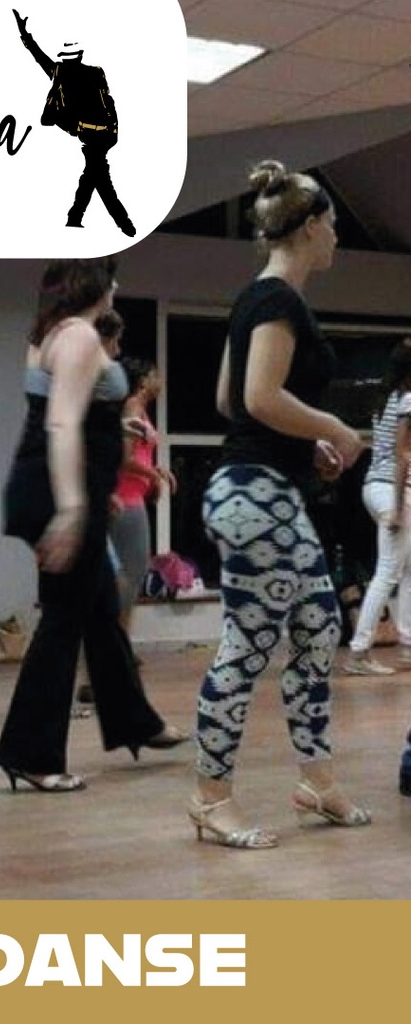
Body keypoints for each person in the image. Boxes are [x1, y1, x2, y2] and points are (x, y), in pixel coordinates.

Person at [191, 160, 371, 849]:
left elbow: (228, 399)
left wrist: (306, 443)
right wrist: (334, 429)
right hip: (254, 495)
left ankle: (316, 782)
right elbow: (260, 398)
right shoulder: (278, 301)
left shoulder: (256, 298)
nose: (337, 237)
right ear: (310, 226)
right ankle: (210, 798)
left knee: (320, 627)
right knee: (247, 645)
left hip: (265, 489)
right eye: (333, 224)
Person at [0, 259, 185, 793]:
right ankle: (31, 755)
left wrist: (98, 488)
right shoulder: (78, 336)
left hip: (53, 487)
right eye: (111, 278)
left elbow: (72, 418)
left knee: (102, 609)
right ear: (95, 285)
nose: (117, 286)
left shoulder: (50, 333)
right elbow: (60, 424)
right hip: (57, 494)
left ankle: (134, 721)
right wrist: (74, 508)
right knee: (63, 620)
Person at [12, 8, 134, 236]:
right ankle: (80, 219)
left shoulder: (61, 71)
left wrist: (25, 35)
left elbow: (39, 57)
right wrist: (113, 130)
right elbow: (109, 102)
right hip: (104, 134)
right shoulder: (96, 72)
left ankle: (118, 223)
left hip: (91, 134)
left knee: (97, 179)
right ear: (80, 55)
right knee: (94, 176)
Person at [343, 340, 411, 676]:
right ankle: (358, 653)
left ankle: (408, 646)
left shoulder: (385, 401)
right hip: (392, 491)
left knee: (408, 568)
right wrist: (397, 507)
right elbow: (403, 457)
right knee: (388, 572)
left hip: (374, 486)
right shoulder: (409, 401)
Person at [110, 358, 176, 628]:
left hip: (131, 496)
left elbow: (138, 455)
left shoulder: (139, 409)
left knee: (130, 571)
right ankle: (117, 637)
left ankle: (118, 637)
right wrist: (153, 476)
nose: (160, 381)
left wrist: (154, 470)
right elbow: (125, 459)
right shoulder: (133, 407)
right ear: (143, 381)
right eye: (155, 375)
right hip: (125, 498)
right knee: (133, 570)